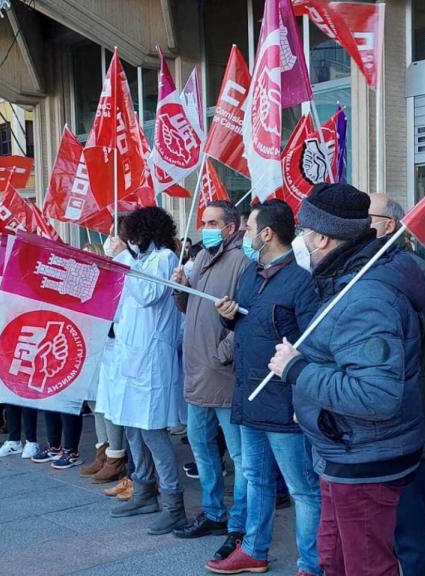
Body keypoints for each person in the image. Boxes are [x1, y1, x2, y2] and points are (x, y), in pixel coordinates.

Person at [267, 183, 425, 576]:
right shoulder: (343, 279)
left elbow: (376, 395)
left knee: (367, 566)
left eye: (303, 232)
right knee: (335, 558)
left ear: (322, 236)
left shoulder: (366, 295)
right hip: (342, 450)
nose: (300, 240)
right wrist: (309, 402)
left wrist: (297, 371)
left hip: (365, 458)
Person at [208, 199, 322, 575]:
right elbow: (246, 327)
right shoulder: (250, 275)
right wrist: (228, 318)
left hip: (283, 401)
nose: (246, 236)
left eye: (251, 229)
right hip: (249, 396)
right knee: (256, 478)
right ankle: (255, 550)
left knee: (302, 488)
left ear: (268, 234)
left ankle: (312, 562)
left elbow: (311, 345)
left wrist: (301, 396)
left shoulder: (301, 283)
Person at [368, 193, 425, 576]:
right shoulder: (368, 264)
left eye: (369, 216)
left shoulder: (414, 269)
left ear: (390, 224)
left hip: (406, 406)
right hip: (377, 411)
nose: (361, 224)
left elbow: (408, 331)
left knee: (410, 519)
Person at [171, 200, 250, 558]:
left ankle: (240, 524)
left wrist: (222, 354)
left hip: (222, 375)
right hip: (197, 373)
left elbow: (247, 319)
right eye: (203, 221)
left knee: (239, 456)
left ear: (231, 228)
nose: (205, 227)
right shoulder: (202, 257)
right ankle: (214, 511)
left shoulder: (242, 262)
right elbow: (190, 308)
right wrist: (180, 287)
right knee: (202, 449)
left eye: (213, 222)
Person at [107, 207, 187, 536]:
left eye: (132, 235)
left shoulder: (165, 258)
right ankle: (143, 490)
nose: (130, 240)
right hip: (130, 356)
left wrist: (123, 258)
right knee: (131, 427)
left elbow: (148, 295)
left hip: (153, 358)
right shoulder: (139, 260)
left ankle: (173, 504)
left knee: (153, 430)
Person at [82, 241, 130, 484]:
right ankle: (102, 450)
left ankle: (115, 456)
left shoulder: (112, 278)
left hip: (111, 348)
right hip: (92, 346)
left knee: (108, 402)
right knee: (94, 401)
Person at [93, 231, 137, 491]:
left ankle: (128, 468)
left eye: (115, 237)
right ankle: (111, 455)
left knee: (129, 416)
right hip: (111, 346)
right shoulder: (114, 267)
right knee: (106, 405)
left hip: (131, 352)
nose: (110, 242)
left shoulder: (136, 265)